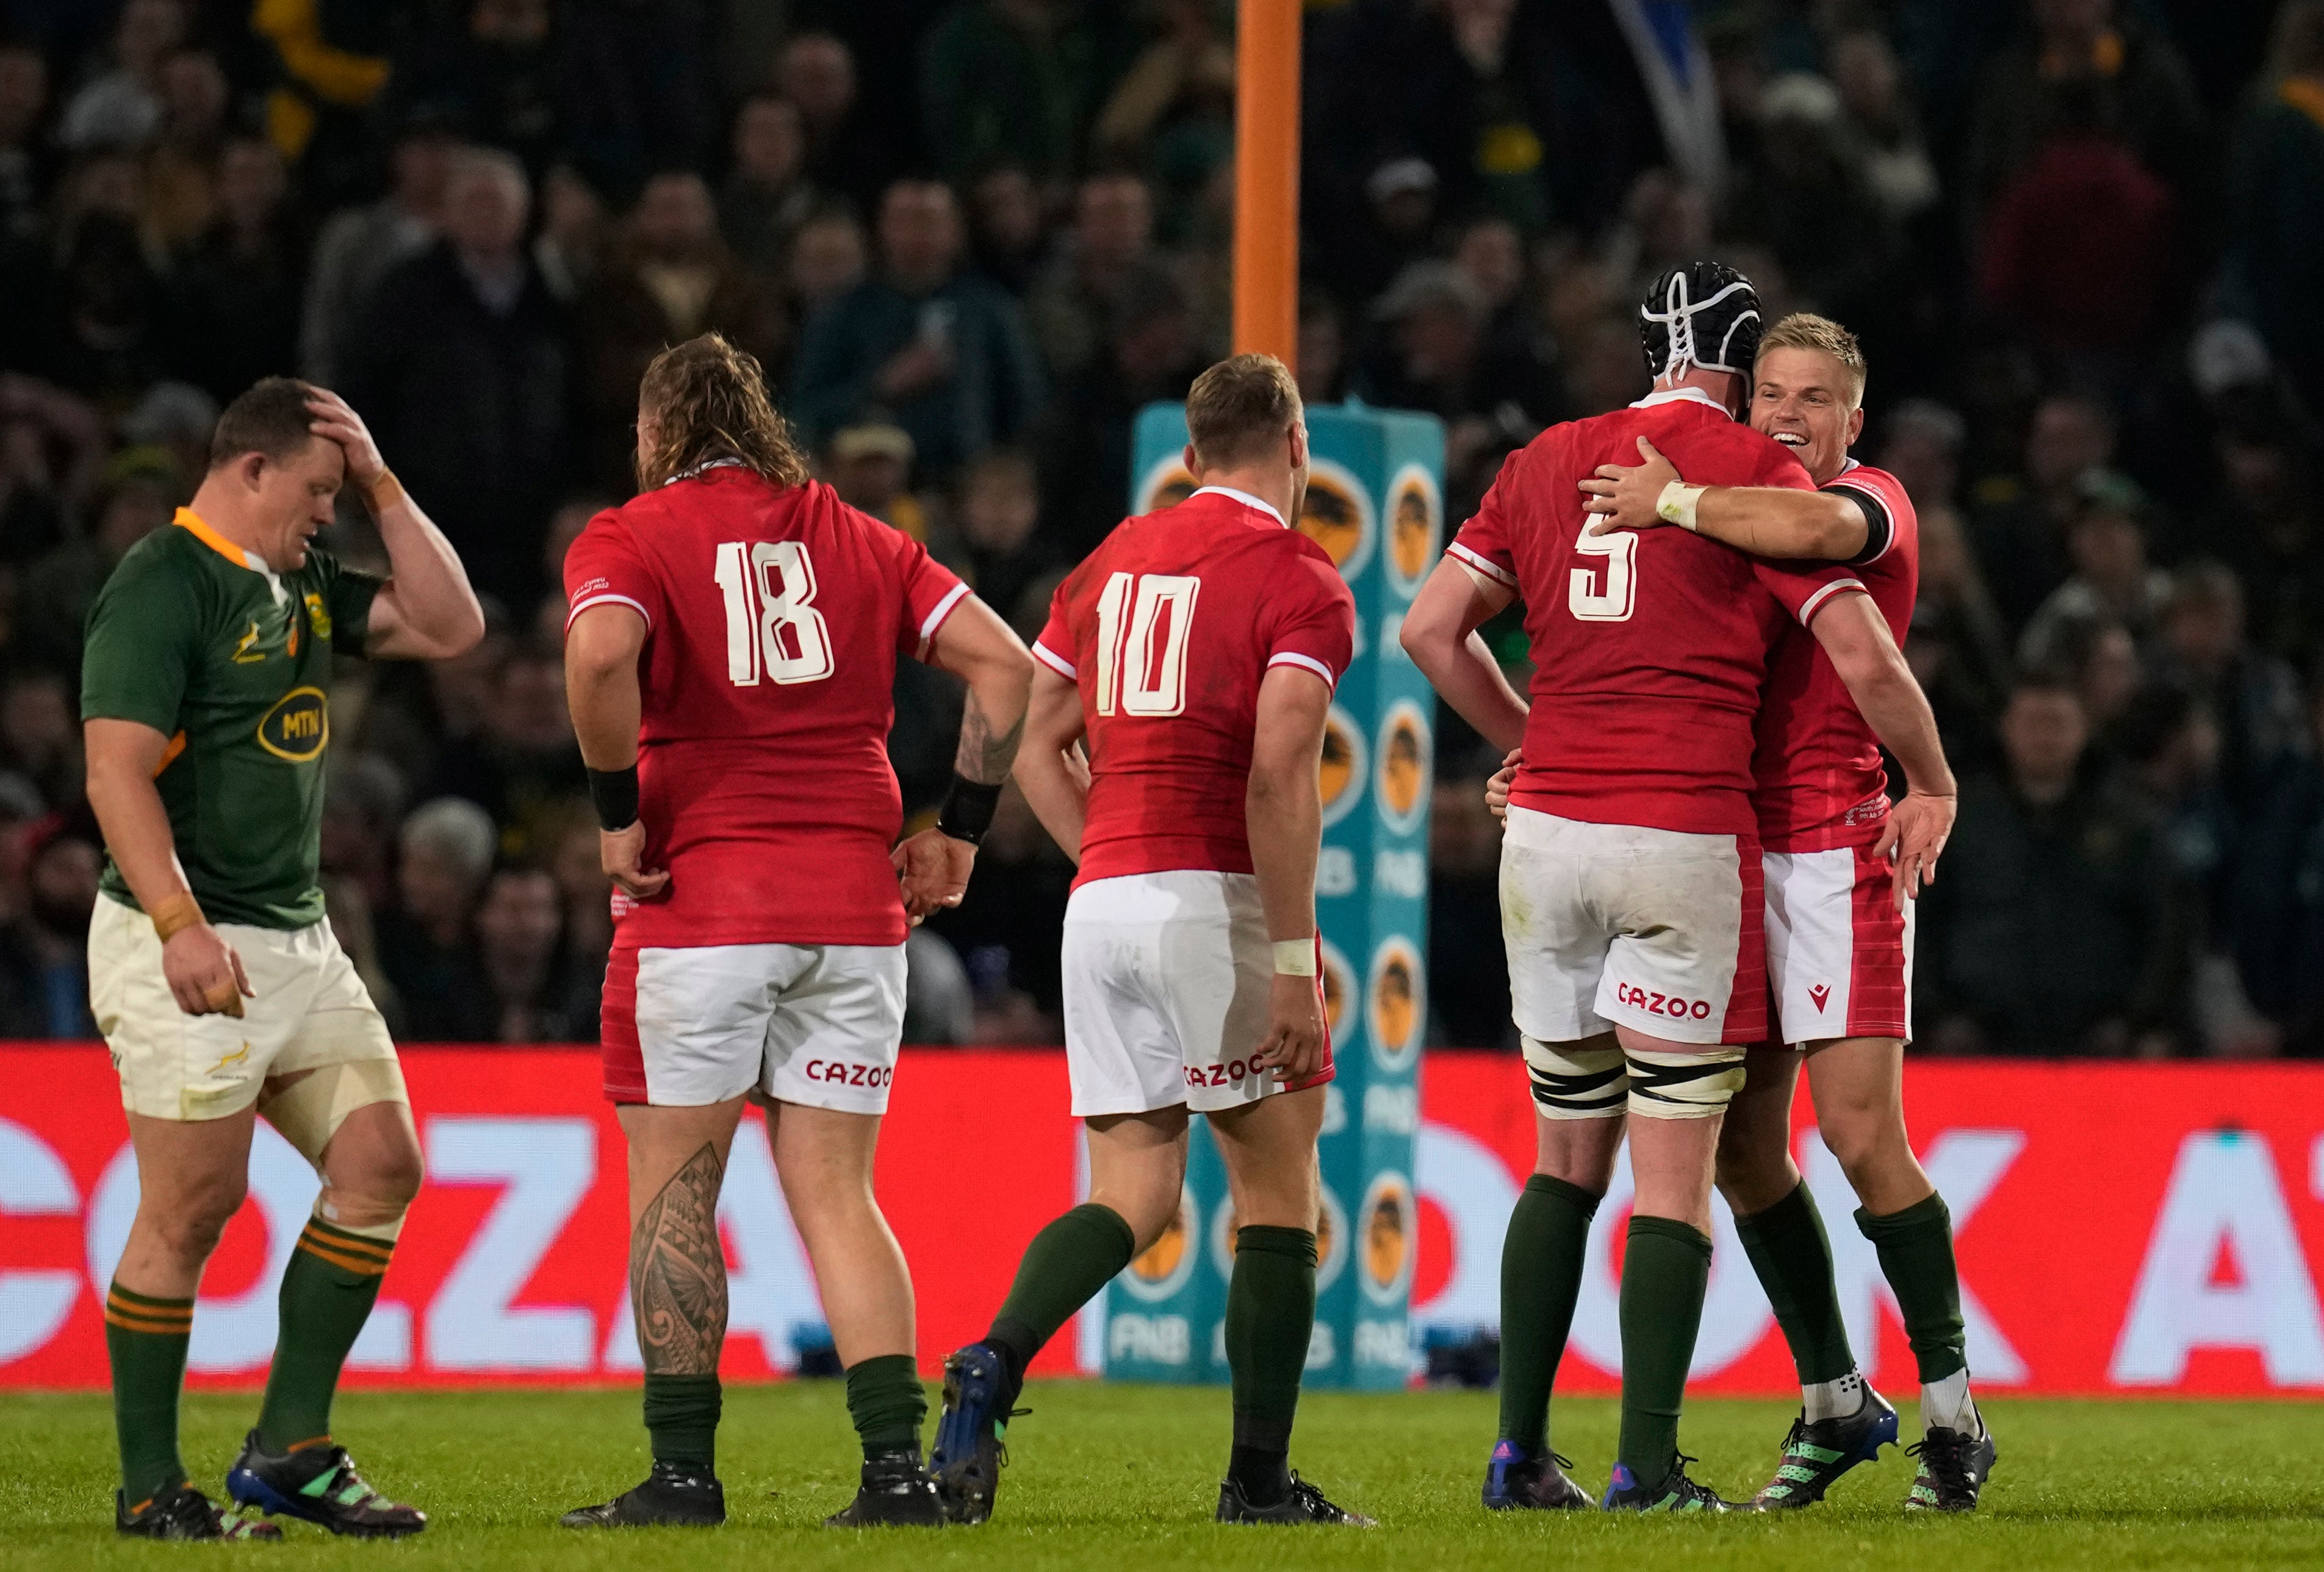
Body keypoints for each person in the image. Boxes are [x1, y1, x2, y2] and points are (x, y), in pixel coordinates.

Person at [1399, 265, 1949, 1513]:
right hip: (1682, 832)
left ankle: (1518, 1455)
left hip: (1543, 839)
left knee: (1560, 1155)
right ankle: (1646, 1465)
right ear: (1744, 370)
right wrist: (1935, 778)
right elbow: (1857, 648)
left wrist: (1530, 741)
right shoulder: (1757, 477)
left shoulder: (1545, 457)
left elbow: (1431, 631)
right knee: (1674, 1168)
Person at [556, 333, 1032, 1531]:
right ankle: (895, 1473)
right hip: (856, 912)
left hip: (702, 904)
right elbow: (1008, 667)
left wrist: (618, 815)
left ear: (659, 433)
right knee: (837, 1193)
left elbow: (603, 650)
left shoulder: (629, 535)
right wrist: (961, 831)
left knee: (676, 1188)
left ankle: (682, 1477)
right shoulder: (858, 536)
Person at [930, 353, 1370, 1529]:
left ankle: (989, 1363)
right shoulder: (1300, 577)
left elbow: (1031, 731)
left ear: (1187, 456)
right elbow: (1280, 775)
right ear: (1293, 447)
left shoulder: (1114, 558)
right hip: (1211, 903)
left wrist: (1103, 854)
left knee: (1132, 1189)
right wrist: (1289, 966)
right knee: (1279, 1194)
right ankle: (1259, 1485)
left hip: (1108, 905)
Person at [1576, 312, 1991, 1510]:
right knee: (1748, 1151)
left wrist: (1933, 779)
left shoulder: (1865, 500)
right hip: (1716, 850)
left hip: (1833, 845)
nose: (1792, 416)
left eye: (1818, 398)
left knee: (1862, 1138)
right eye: (1772, 396)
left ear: (1854, 419)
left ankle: (1955, 1415)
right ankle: (1833, 1402)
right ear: (1746, 404)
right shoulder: (1725, 509)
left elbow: (1827, 552)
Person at [79, 377, 484, 1539]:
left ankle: (289, 1451)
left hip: (300, 939)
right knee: (192, 1212)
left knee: (381, 1167)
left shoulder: (298, 579)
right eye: (318, 491)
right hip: (188, 935)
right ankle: (151, 1486)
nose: (329, 514)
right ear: (249, 469)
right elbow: (115, 772)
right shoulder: (165, 583)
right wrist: (176, 925)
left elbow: (455, 627)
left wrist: (384, 483)